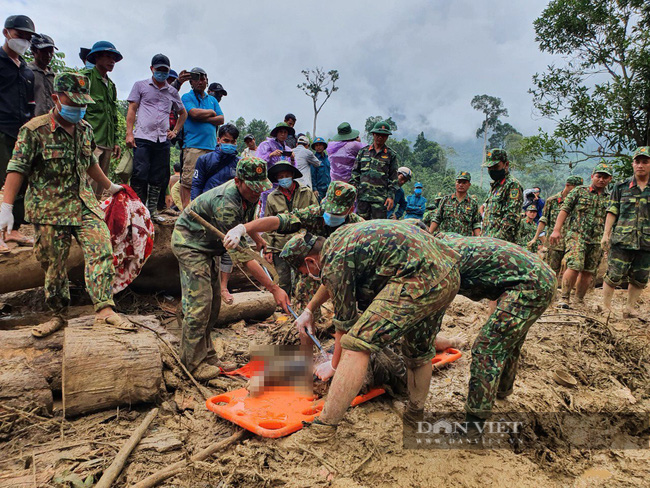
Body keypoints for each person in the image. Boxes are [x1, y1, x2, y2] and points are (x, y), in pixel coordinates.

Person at [278, 220, 461, 439]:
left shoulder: (333, 262)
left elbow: (344, 326)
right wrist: (309, 309)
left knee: (357, 344)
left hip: (417, 278)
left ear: (310, 261)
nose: (309, 276)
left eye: (305, 271)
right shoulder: (339, 240)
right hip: (447, 273)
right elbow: (331, 281)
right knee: (419, 350)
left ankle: (323, 428)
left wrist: (334, 367)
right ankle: (414, 415)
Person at [0, 72, 133, 337]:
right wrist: (5, 207)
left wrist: (109, 186)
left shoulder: (85, 129)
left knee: (101, 249)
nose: (79, 109)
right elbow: (17, 168)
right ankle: (58, 315)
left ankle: (105, 309)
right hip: (50, 208)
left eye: (83, 104)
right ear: (55, 98)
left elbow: (91, 163)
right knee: (54, 265)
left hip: (84, 203)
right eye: (73, 103)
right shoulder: (34, 131)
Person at [171, 157, 289, 380]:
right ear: (238, 181)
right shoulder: (226, 203)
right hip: (190, 244)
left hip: (209, 245)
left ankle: (207, 355)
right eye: (253, 188)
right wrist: (273, 289)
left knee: (214, 303)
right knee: (199, 305)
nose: (257, 194)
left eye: (259, 188)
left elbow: (244, 222)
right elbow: (243, 258)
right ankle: (191, 365)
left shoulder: (249, 195)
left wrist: (257, 237)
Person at [437, 232, 556, 427]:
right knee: (510, 339)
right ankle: (502, 390)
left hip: (530, 285)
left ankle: (473, 427)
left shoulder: (441, 260)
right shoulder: (447, 241)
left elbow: (433, 312)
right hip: (539, 276)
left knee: (486, 349)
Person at [226, 181, 364, 317]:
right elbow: (279, 221)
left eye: (337, 211)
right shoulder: (314, 214)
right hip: (315, 267)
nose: (331, 213)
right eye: (329, 208)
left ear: (351, 209)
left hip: (346, 270)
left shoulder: (360, 228)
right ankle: (307, 322)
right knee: (306, 288)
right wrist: (243, 228)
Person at [125, 54, 187, 222]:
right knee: (140, 173)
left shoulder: (172, 91)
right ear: (152, 69)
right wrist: (129, 133)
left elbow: (183, 113)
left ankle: (151, 211)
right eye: (158, 69)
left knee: (157, 176)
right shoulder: (140, 86)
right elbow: (132, 109)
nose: (161, 73)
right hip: (143, 137)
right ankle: (136, 210)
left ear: (168, 71)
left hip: (162, 139)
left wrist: (175, 131)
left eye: (165, 70)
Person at [550, 163, 613, 308]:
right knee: (574, 265)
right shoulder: (579, 191)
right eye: (598, 176)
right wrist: (556, 230)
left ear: (610, 179)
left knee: (588, 271)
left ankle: (578, 299)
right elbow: (565, 209)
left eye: (605, 177)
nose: (601, 180)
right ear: (592, 177)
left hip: (597, 239)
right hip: (577, 235)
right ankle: (564, 298)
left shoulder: (610, 198)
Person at [190, 123, 240, 303]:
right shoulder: (205, 160)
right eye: (226, 140)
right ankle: (202, 289)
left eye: (233, 141)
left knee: (228, 250)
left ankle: (224, 288)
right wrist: (193, 208)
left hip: (229, 213)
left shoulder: (239, 163)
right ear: (218, 140)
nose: (230, 144)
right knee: (204, 249)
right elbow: (196, 184)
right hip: (207, 211)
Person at [0, 14, 36, 251]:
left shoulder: (27, 71)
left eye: (27, 38)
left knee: (21, 181)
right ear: (6, 33)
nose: (23, 41)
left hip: (21, 133)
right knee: (2, 180)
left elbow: (30, 105)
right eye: (19, 35)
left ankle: (12, 231)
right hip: (1, 128)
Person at [602, 147, 650, 318]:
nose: (640, 165)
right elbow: (612, 210)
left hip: (646, 241)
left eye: (645, 162)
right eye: (637, 161)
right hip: (622, 238)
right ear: (633, 163)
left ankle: (630, 308)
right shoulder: (621, 186)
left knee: (640, 276)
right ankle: (606, 307)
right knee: (614, 273)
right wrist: (606, 234)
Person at [262, 162, 318, 295]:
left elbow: (317, 216)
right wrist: (268, 249)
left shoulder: (306, 192)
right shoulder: (272, 197)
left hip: (304, 242)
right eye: (281, 176)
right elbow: (268, 225)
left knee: (305, 276)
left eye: (286, 175)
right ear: (277, 178)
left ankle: (304, 305)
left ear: (292, 176)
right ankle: (284, 307)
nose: (284, 178)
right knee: (282, 277)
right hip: (281, 243)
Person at [82, 41, 122, 198]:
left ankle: (95, 216)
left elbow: (113, 116)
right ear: (96, 57)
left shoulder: (111, 86)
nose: (112, 61)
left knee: (101, 184)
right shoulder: (86, 79)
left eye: (114, 58)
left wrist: (116, 141)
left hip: (107, 143)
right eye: (107, 56)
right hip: (91, 141)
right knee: (87, 180)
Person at [180, 67, 224, 208]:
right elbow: (193, 113)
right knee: (188, 181)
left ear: (207, 81)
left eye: (203, 78)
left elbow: (221, 119)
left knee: (208, 181)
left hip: (211, 147)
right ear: (191, 82)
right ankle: (185, 211)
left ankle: (204, 210)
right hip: (193, 146)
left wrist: (203, 117)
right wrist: (211, 113)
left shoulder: (212, 100)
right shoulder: (187, 97)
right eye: (197, 79)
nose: (200, 81)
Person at [529, 175, 583, 276]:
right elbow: (543, 220)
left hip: (571, 243)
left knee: (571, 270)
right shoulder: (552, 201)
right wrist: (535, 238)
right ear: (568, 185)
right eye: (575, 188)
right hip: (554, 243)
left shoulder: (579, 203)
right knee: (551, 271)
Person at [351, 120, 398, 220]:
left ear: (387, 137)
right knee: (361, 225)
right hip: (362, 197)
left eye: (384, 135)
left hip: (380, 199)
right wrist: (353, 190)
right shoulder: (363, 152)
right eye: (378, 134)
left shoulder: (391, 155)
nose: (380, 137)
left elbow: (393, 178)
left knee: (378, 229)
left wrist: (390, 196)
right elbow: (355, 173)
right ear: (373, 134)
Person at [481, 149, 523, 242]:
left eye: (495, 166)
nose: (492, 170)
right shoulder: (495, 186)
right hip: (487, 240)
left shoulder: (512, 185)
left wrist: (498, 241)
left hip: (501, 244)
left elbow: (511, 217)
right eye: (489, 167)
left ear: (506, 164)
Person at [256, 122, 295, 216]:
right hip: (269, 183)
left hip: (283, 183)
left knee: (282, 208)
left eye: (285, 132)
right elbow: (259, 162)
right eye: (281, 132)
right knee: (266, 209)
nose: (283, 134)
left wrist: (293, 158)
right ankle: (263, 228)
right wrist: (271, 155)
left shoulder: (288, 149)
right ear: (276, 133)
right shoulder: (266, 145)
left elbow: (293, 168)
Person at [430, 171, 481, 236]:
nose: (461, 185)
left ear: (469, 185)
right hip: (445, 239)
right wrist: (429, 233)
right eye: (459, 182)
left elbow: (476, 223)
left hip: (463, 242)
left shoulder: (473, 203)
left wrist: (478, 238)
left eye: (464, 182)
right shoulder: (446, 200)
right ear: (455, 183)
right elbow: (437, 219)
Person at [28, 34, 56, 116]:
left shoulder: (54, 76)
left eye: (51, 51)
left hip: (51, 122)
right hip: (31, 122)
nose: (48, 55)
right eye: (44, 51)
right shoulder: (26, 72)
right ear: (34, 51)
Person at [311, 137, 331, 202]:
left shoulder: (328, 158)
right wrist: (314, 189)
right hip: (319, 190)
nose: (318, 147)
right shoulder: (314, 159)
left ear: (324, 146)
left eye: (320, 145)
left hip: (329, 188)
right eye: (316, 145)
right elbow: (312, 175)